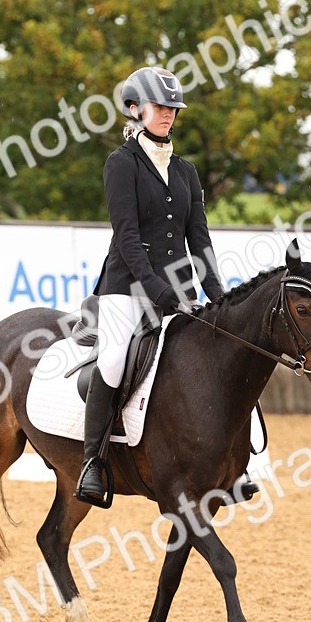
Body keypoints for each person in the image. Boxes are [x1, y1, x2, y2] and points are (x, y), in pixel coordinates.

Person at [74, 65, 225, 507]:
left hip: (178, 290)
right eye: (160, 107)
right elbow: (127, 237)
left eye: (172, 108)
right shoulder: (121, 164)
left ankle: (236, 462)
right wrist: (159, 292)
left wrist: (219, 297)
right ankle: (91, 462)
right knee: (117, 360)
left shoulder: (186, 172)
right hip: (125, 286)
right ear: (135, 108)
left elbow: (199, 241)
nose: (168, 115)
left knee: (215, 359)